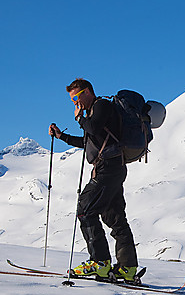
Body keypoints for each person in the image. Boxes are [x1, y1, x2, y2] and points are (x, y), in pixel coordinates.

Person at [49, 78, 140, 282]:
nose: (75, 102)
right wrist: (61, 136)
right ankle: (128, 268)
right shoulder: (95, 112)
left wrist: (79, 118)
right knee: (115, 218)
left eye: (76, 97)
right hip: (112, 168)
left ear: (87, 92)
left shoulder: (102, 106)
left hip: (108, 168)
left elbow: (92, 128)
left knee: (85, 209)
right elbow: (88, 141)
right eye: (72, 99)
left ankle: (99, 262)